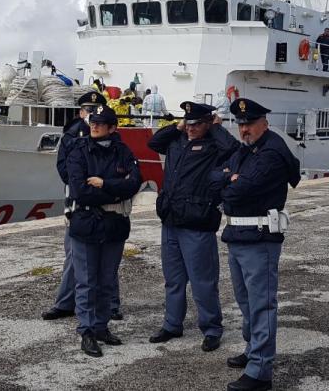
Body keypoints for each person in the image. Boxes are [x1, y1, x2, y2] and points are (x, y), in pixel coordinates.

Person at [212, 98, 300, 391]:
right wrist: (229, 178)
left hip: (259, 238)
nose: (244, 129)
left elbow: (240, 191)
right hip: (238, 235)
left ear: (264, 123)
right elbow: (216, 178)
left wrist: (230, 182)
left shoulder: (272, 153)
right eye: (240, 124)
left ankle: (261, 371)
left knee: (261, 305)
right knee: (246, 302)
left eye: (249, 123)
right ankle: (253, 351)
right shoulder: (246, 150)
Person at [146, 102, 239, 352]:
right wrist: (177, 126)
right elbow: (153, 144)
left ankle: (211, 328)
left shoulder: (214, 146)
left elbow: (234, 148)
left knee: (203, 282)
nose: (191, 128)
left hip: (197, 223)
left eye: (197, 124)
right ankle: (172, 324)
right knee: (173, 280)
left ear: (208, 123)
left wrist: (217, 127)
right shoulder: (177, 140)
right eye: (188, 123)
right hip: (171, 221)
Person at [65, 105, 141, 357]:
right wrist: (115, 189)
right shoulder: (78, 151)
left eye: (100, 123)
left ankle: (101, 326)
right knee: (86, 282)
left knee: (107, 280)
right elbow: (78, 189)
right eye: (93, 122)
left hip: (114, 224)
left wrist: (104, 183)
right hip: (86, 222)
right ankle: (86, 331)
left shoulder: (123, 151)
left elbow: (134, 184)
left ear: (112, 128)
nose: (94, 126)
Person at [42, 92, 123, 322]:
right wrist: (86, 182)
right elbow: (65, 170)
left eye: (97, 111)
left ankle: (111, 305)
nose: (92, 117)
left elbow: (121, 170)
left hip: (107, 205)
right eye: (88, 111)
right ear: (81, 112)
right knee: (73, 255)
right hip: (79, 204)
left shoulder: (113, 139)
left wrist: (101, 183)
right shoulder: (72, 135)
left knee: (108, 260)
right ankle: (66, 303)